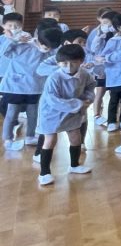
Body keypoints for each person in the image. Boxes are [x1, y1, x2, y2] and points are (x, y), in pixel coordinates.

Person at [35, 43, 94, 186]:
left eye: (73, 63)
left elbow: (91, 86)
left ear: (81, 61)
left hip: (73, 111)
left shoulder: (85, 74)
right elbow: (52, 100)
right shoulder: (54, 77)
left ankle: (74, 165)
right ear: (58, 63)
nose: (68, 66)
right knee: (50, 140)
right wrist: (78, 104)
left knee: (76, 137)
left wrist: (88, 98)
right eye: (64, 63)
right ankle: (44, 173)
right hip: (51, 112)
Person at [2, 23, 61, 150]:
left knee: (33, 113)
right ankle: (8, 140)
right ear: (39, 39)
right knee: (12, 113)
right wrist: (13, 40)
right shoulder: (25, 45)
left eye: (51, 47)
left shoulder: (51, 51)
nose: (47, 49)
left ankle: (30, 136)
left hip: (35, 87)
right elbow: (5, 52)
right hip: (16, 86)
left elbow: (55, 62)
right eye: (46, 46)